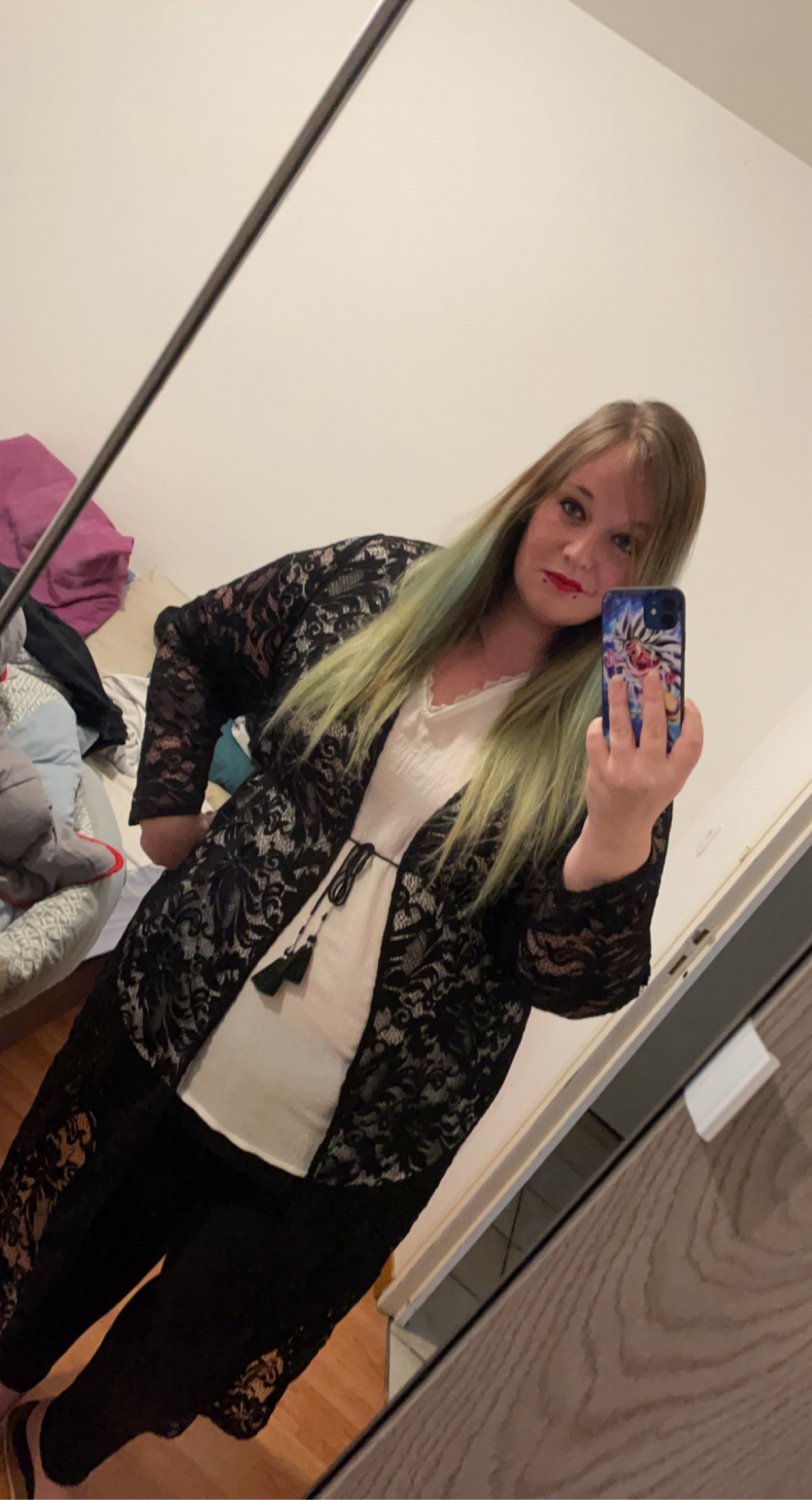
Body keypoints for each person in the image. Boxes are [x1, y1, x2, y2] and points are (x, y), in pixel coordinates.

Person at [0, 400, 705, 1496]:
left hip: (349, 1147)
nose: (582, 553)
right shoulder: (375, 585)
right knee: (59, 1243)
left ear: (653, 576)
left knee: (178, 1351)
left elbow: (577, 983)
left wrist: (617, 830)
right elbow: (194, 641)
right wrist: (169, 807)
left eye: (625, 541)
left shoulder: (613, 740)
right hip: (168, 1026)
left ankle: (50, 1455)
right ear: (533, 495)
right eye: (574, 508)